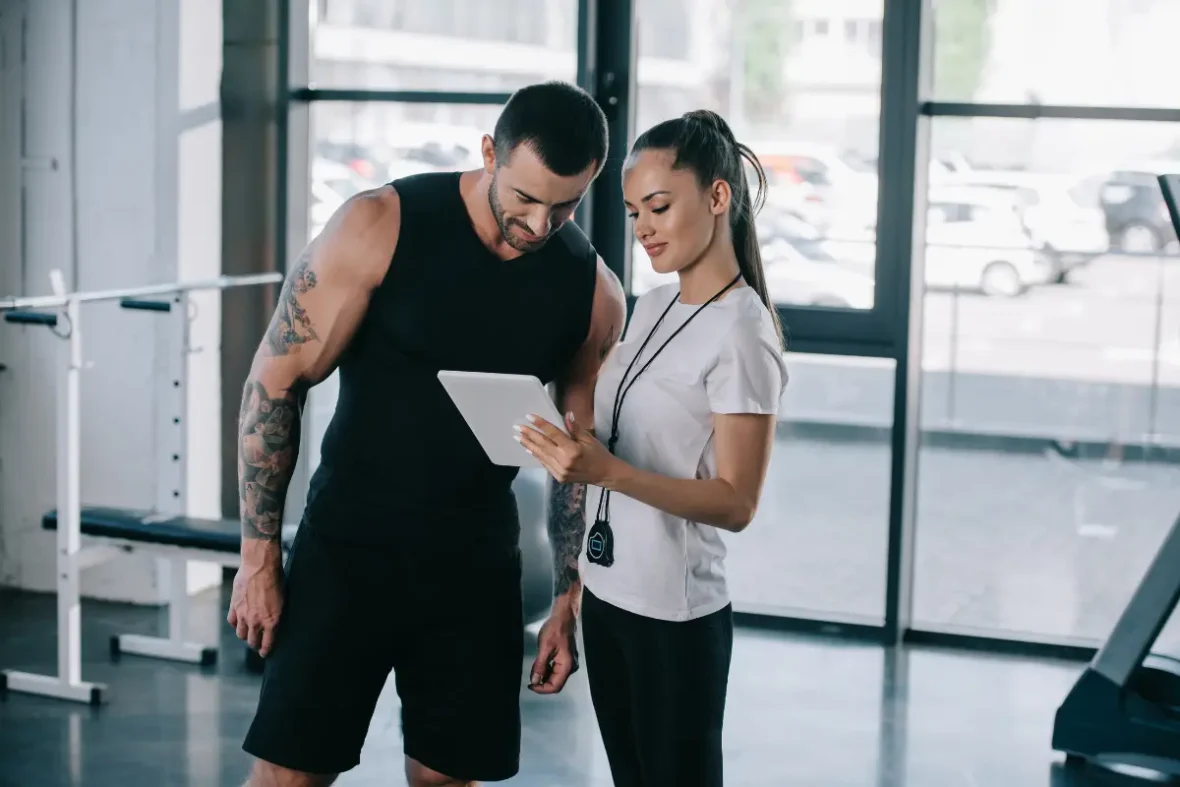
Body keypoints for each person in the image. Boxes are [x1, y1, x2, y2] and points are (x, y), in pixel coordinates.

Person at [228, 80, 627, 787]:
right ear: (488, 153)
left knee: (449, 780)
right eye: (525, 198)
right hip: (348, 545)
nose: (539, 223)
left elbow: (578, 460)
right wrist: (258, 557)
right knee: (289, 776)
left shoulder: (591, 293)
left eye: (564, 204)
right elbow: (275, 381)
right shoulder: (380, 223)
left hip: (474, 563)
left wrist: (569, 598)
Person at [517, 110, 788, 787]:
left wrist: (610, 469)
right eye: (636, 211)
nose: (643, 229)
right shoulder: (652, 306)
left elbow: (736, 502)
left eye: (660, 207)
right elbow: (615, 443)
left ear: (718, 197)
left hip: (675, 615)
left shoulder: (742, 334)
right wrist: (570, 595)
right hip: (608, 594)